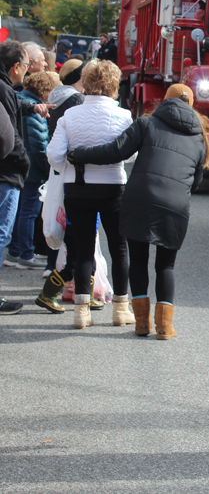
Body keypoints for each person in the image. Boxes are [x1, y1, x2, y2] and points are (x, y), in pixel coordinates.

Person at [68, 84, 209, 339]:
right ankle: (165, 327)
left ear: (164, 103)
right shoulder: (200, 138)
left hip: (139, 199)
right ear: (191, 106)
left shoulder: (147, 124)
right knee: (166, 266)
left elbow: (116, 151)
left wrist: (79, 154)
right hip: (175, 205)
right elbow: (196, 182)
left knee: (138, 260)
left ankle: (142, 324)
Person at [47, 59, 134, 329]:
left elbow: (53, 155)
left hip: (77, 188)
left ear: (85, 83)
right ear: (113, 84)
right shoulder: (124, 117)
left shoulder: (69, 116)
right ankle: (121, 309)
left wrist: (73, 160)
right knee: (119, 248)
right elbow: (132, 153)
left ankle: (81, 312)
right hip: (113, 187)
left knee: (84, 249)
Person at [6, 73, 56, 271]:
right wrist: (47, 168)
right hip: (33, 170)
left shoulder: (21, 100)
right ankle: (25, 254)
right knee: (29, 212)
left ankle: (16, 251)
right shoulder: (34, 109)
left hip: (24, 166)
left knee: (21, 211)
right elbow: (38, 145)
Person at [0, 41, 31, 314]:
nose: (29, 70)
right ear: (15, 67)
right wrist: (24, 163)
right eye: (27, 65)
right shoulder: (4, 89)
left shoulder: (5, 88)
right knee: (1, 234)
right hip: (6, 173)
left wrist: (34, 107)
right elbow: (9, 135)